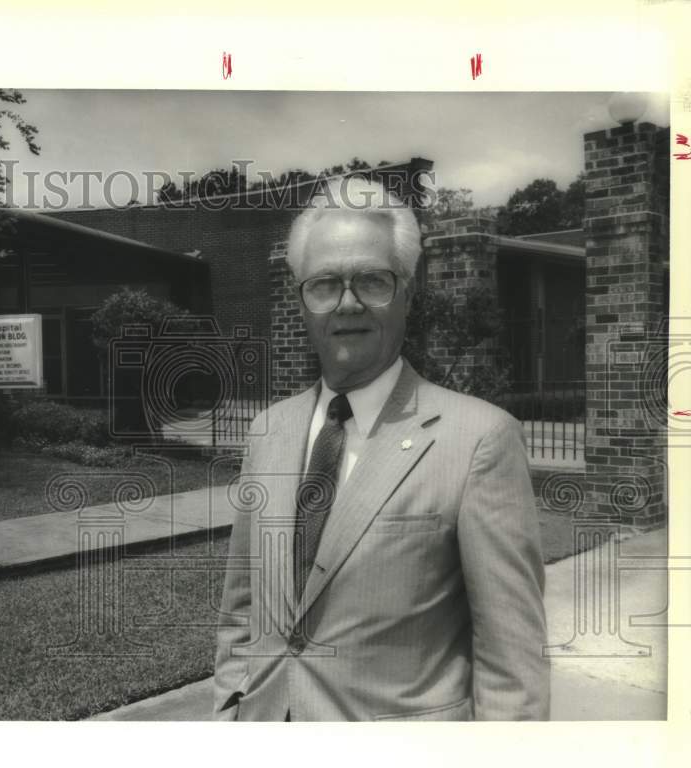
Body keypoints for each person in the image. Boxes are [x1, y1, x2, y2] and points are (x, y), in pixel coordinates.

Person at [213, 177, 550, 721]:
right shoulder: (268, 432)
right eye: (324, 283)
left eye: (372, 280)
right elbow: (242, 606)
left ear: (408, 292)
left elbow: (512, 664)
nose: (347, 303)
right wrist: (231, 707)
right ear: (301, 298)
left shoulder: (479, 441)